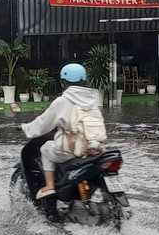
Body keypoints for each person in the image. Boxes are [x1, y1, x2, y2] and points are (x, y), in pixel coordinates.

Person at [20, 63, 106, 200]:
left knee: (45, 149)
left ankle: (49, 186)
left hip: (74, 148)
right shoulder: (92, 100)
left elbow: (43, 123)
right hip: (96, 147)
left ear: (63, 82)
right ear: (84, 81)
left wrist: (26, 128)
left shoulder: (62, 101)